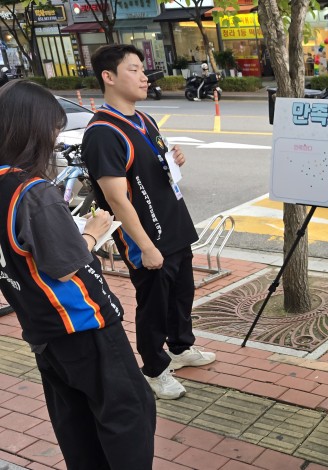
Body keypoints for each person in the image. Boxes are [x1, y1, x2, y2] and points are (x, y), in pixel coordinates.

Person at [0, 80, 156, 469]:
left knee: (76, 423)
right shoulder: (32, 192)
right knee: (129, 414)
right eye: (52, 131)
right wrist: (93, 232)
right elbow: (66, 263)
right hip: (82, 324)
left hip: (41, 329)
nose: (54, 141)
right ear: (32, 131)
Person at [82, 44, 215, 400]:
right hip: (147, 237)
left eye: (143, 70)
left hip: (174, 225)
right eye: (134, 69)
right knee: (154, 305)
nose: (144, 77)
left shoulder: (144, 120)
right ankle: (155, 369)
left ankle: (181, 348)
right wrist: (145, 246)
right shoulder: (103, 133)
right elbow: (116, 198)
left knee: (182, 294)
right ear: (109, 77)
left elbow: (151, 168)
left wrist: (174, 160)